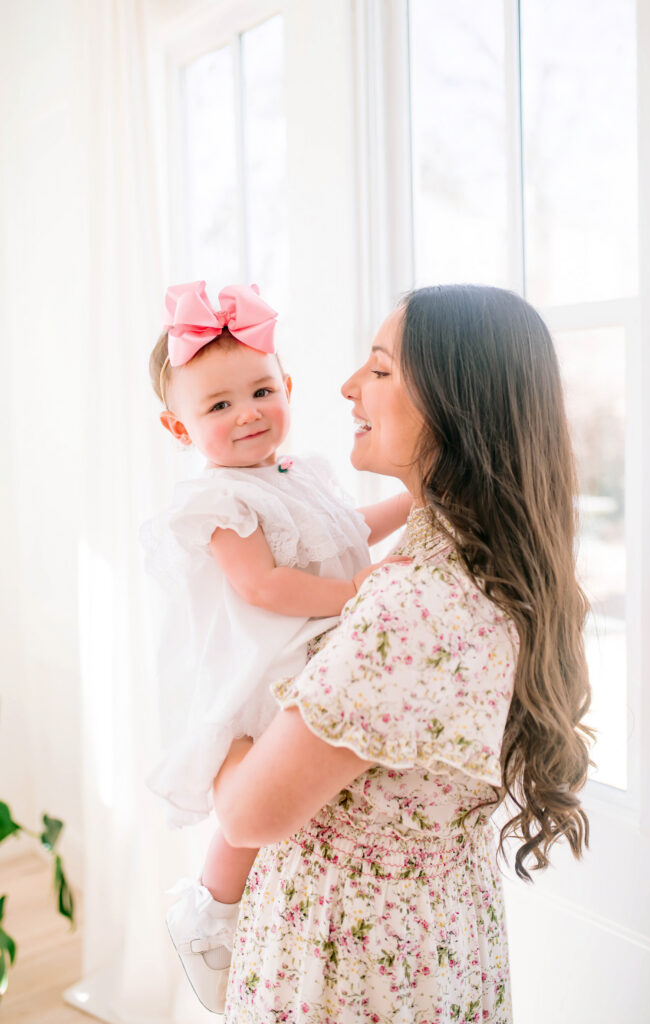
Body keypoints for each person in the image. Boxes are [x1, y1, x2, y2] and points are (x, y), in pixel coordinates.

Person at [213, 284, 593, 1023]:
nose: (348, 386)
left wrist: (215, 718)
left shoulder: (411, 604)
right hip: (438, 940)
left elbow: (247, 815)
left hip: (343, 961)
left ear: (456, 406)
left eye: (380, 371)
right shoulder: (495, 563)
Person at [141, 281, 411, 1013]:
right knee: (247, 799)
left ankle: (245, 909)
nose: (247, 414)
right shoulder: (221, 500)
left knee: (288, 805)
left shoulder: (304, 476)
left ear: (286, 386)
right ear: (178, 428)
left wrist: (415, 500)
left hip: (318, 646)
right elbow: (262, 586)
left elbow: (349, 531)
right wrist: (364, 593)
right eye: (218, 406)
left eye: (260, 391)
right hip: (265, 660)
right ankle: (207, 911)